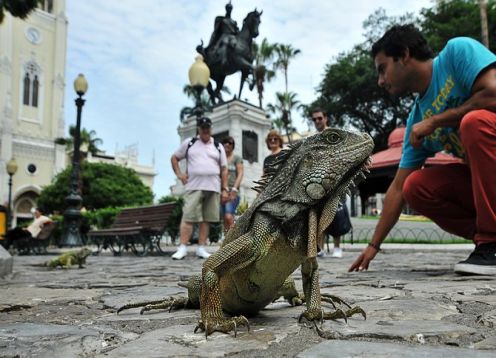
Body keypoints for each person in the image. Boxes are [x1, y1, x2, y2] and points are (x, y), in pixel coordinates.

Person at [349, 24, 496, 276]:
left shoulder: (457, 52)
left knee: (474, 123)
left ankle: (492, 242)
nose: (380, 81)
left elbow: (493, 94)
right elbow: (397, 188)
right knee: (415, 186)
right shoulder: (417, 118)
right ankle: (487, 241)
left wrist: (437, 121)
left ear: (404, 55)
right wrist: (373, 246)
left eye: (382, 69)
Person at [170, 117, 229, 259]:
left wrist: (225, 188)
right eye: (203, 127)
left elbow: (224, 169)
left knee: (206, 219)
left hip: (213, 186)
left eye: (207, 127)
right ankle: (182, 247)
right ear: (199, 129)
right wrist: (180, 175)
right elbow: (174, 158)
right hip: (194, 186)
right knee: (188, 217)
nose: (205, 130)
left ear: (211, 128)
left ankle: (201, 248)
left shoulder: (218, 146)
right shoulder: (189, 143)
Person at [311, 108, 350, 258]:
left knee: (337, 213)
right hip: (319, 182)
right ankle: (319, 248)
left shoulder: (334, 135)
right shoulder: (315, 138)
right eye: (314, 119)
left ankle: (337, 247)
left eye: (319, 118)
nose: (317, 122)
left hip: (335, 179)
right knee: (320, 215)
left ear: (326, 118)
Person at [221, 136, 244, 232]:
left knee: (229, 215)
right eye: (225, 142)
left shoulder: (237, 158)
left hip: (232, 192)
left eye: (230, 143)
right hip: (222, 192)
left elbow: (240, 174)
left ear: (233, 146)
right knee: (225, 218)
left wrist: (234, 189)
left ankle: (234, 240)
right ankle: (228, 241)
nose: (227, 144)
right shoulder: (220, 159)